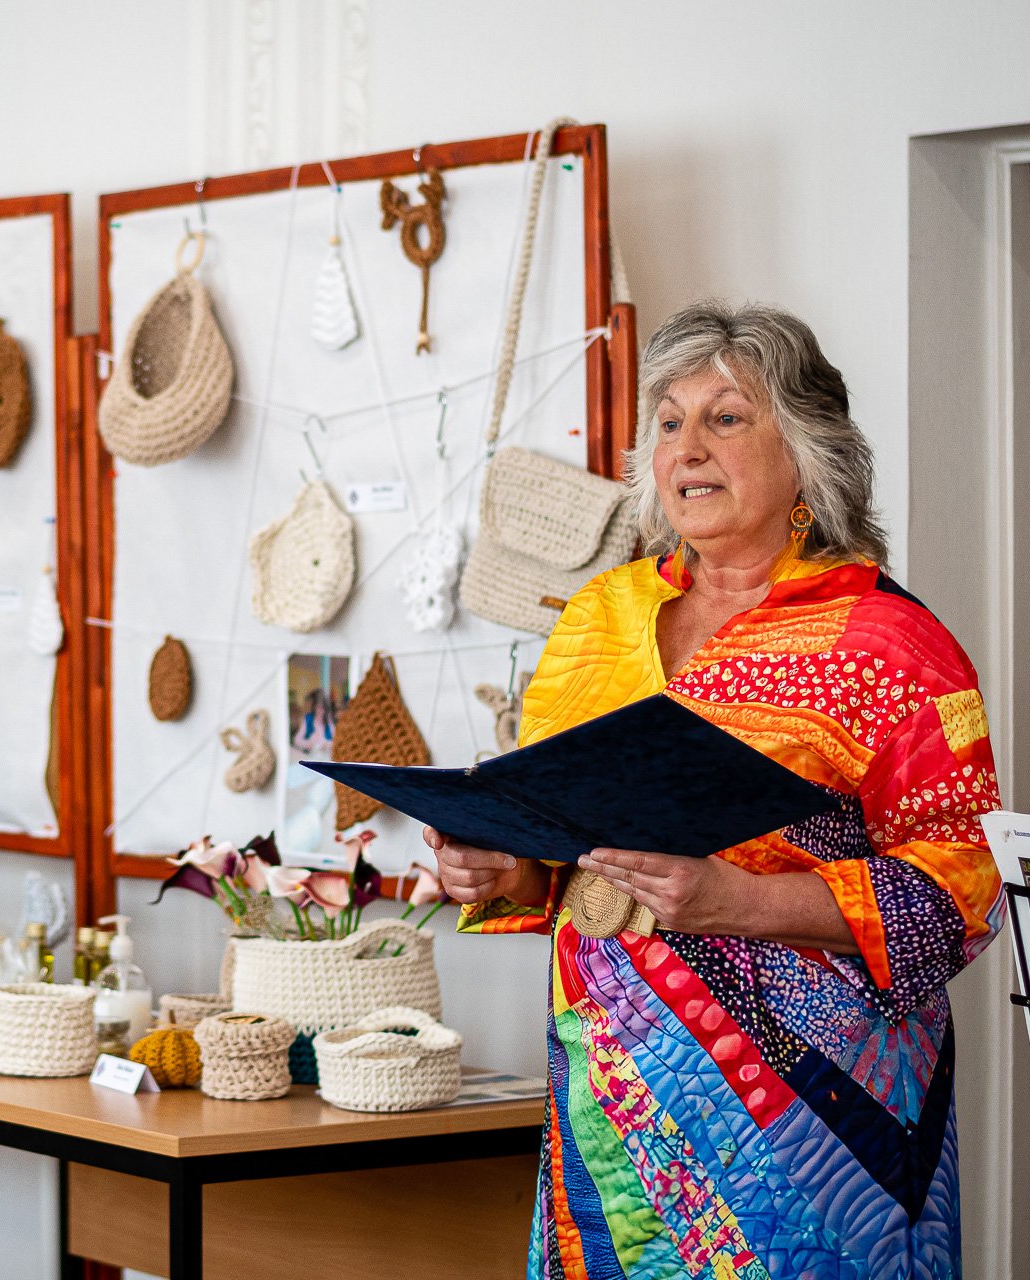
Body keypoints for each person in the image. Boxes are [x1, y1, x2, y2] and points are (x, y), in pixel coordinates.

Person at [428, 302, 1003, 1279]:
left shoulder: (888, 640)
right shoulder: (600, 615)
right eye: (668, 421)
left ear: (808, 451)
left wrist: (739, 901)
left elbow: (966, 887)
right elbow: (556, 850)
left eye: (725, 417)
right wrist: (498, 867)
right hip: (611, 1109)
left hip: (818, 1134)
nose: (687, 447)